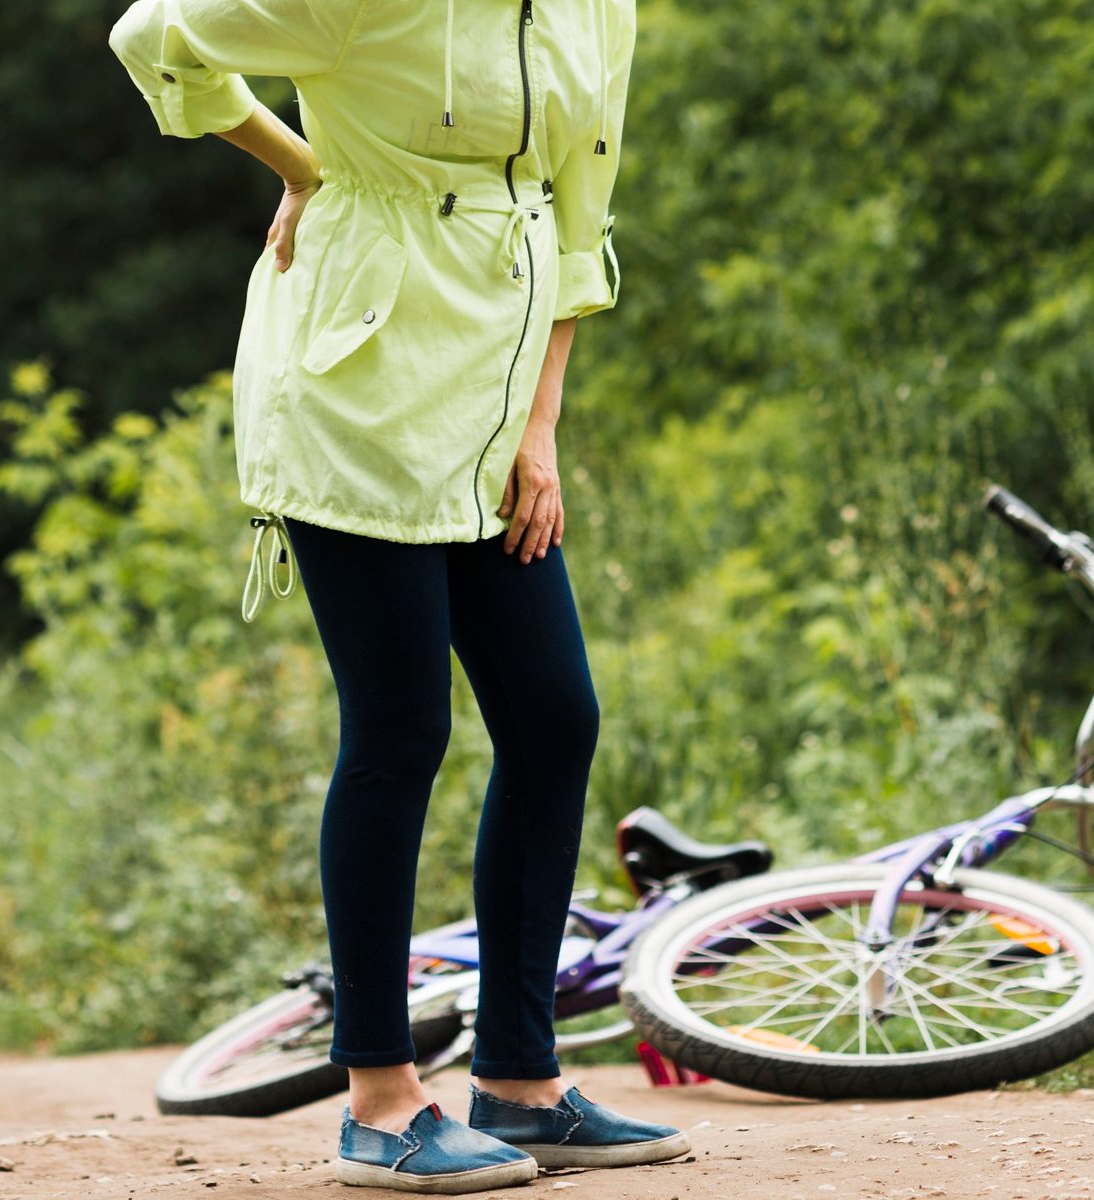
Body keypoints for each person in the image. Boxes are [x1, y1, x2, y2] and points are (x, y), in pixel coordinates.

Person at [108, 0, 689, 1191]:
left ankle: (522, 1085)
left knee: (552, 717)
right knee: (401, 726)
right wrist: (305, 164)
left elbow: (578, 210)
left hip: (495, 393)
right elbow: (152, 36)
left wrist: (542, 425)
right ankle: (379, 1100)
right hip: (355, 384)